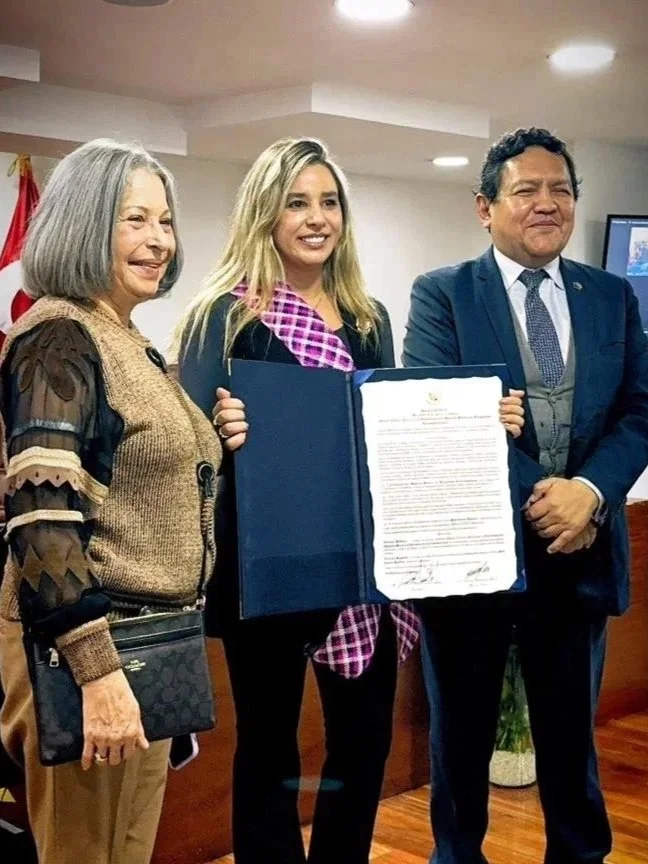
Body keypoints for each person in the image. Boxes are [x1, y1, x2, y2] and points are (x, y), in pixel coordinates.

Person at [176, 136, 524, 864]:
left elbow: (390, 429)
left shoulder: (369, 318)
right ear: (264, 214)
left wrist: (472, 420)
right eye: (296, 202)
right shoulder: (223, 315)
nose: (316, 218)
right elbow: (193, 449)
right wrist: (218, 425)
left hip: (362, 567)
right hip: (264, 572)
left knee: (362, 744)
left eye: (329, 202)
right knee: (269, 748)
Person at [403, 127, 648, 864]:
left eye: (561, 190)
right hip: (472, 563)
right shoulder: (441, 295)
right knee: (461, 751)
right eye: (526, 190)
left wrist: (592, 494)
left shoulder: (609, 296)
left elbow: (640, 408)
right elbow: (433, 411)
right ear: (485, 206)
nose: (547, 204)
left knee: (573, 751)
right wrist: (550, 497)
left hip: (580, 562)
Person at [0, 139, 221, 864]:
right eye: (134, 220)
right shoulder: (57, 341)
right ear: (83, 225)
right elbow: (43, 524)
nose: (159, 240)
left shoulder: (126, 339)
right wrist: (97, 674)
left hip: (149, 649)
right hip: (88, 652)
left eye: (165, 221)